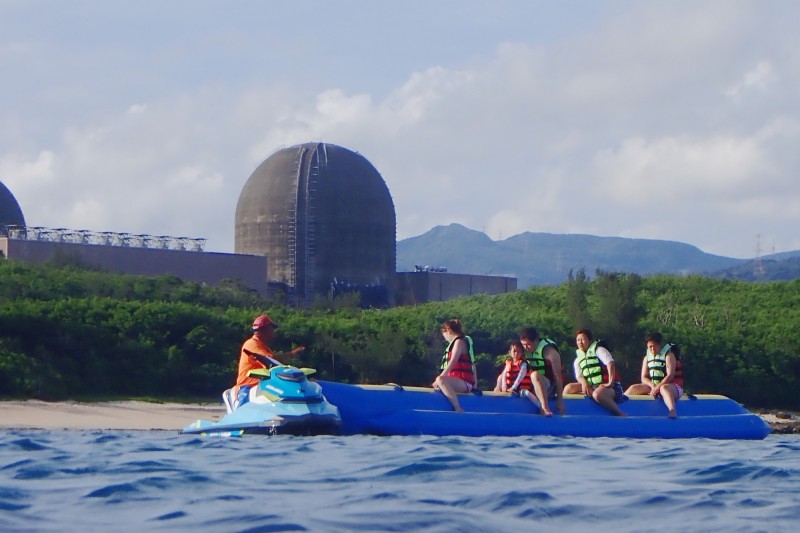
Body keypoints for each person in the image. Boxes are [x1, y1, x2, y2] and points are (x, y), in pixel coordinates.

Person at [231, 314, 305, 409]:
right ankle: (239, 419)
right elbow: (271, 360)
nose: (274, 332)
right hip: (248, 385)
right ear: (265, 330)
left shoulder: (264, 347)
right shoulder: (251, 344)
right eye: (272, 329)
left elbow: (276, 366)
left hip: (264, 385)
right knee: (245, 408)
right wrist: (291, 354)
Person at [563, 329, 626, 416]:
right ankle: (567, 413)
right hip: (592, 387)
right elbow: (579, 376)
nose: (580, 342)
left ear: (589, 340)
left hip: (612, 387)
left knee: (598, 394)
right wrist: (584, 383)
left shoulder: (599, 350)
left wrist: (610, 383)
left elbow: (610, 363)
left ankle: (619, 413)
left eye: (583, 339)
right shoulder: (578, 360)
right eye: (578, 340)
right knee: (568, 388)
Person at [625, 332, 684, 418]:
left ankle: (672, 411)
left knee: (664, 388)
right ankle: (620, 406)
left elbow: (670, 375)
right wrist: (653, 386)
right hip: (654, 386)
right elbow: (643, 377)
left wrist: (658, 387)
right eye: (650, 347)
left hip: (673, 387)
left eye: (654, 346)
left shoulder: (669, 355)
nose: (652, 349)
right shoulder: (647, 358)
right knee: (633, 388)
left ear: (660, 345)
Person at [497, 339, 553, 416]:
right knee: (499, 380)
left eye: (519, 351)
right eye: (514, 351)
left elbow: (521, 375)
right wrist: (504, 387)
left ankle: (541, 408)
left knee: (527, 393)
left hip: (520, 388)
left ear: (522, 353)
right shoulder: (508, 363)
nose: (516, 353)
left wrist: (514, 387)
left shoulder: (523, 364)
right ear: (510, 352)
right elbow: (504, 375)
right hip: (510, 388)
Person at [519, 327, 566, 415]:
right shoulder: (523, 350)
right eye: (523, 345)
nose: (526, 348)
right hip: (534, 388)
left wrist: (560, 401)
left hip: (550, 387)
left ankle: (545, 408)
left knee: (535, 375)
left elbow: (558, 376)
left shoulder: (549, 351)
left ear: (536, 340)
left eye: (528, 344)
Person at [433, 318, 476, 412]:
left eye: (444, 334)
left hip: (465, 383)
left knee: (440, 380)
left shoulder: (459, 342)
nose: (445, 338)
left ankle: (457, 407)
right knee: (440, 382)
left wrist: (441, 377)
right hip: (458, 381)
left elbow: (453, 361)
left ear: (448, 331)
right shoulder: (457, 342)